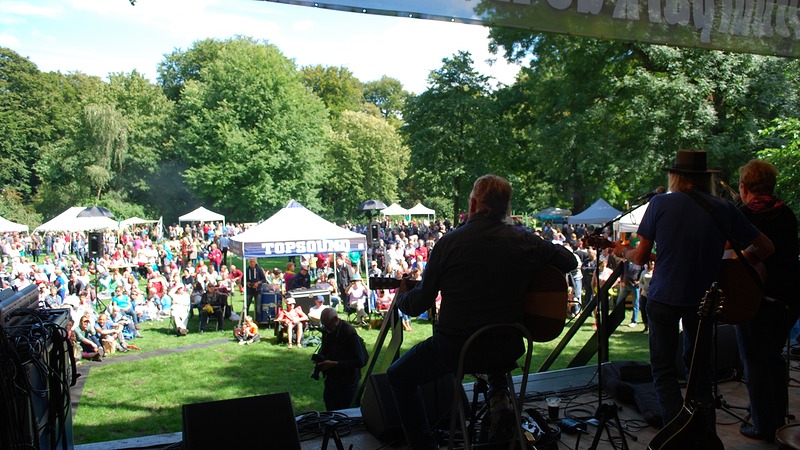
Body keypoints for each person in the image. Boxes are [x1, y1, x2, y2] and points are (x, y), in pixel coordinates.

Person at [387, 174, 577, 449]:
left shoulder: (448, 244)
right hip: (507, 346)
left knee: (398, 376)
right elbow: (569, 261)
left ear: (473, 204)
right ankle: (499, 395)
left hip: (458, 348)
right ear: (507, 209)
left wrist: (401, 297)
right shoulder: (525, 241)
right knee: (492, 351)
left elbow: (418, 304)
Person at [616, 150, 774, 433]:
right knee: (699, 371)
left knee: (663, 372)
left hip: (664, 298)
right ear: (705, 178)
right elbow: (765, 247)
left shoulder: (659, 204)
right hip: (705, 301)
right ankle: (704, 434)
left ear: (675, 176)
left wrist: (623, 252)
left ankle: (676, 435)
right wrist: (728, 266)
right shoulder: (724, 208)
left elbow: (639, 258)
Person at [734, 159, 799, 442]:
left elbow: (732, 251)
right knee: (774, 357)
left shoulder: (744, 213)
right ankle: (778, 419)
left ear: (745, 186)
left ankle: (763, 424)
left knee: (755, 360)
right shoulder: (786, 213)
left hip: (757, 295)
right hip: (791, 296)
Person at [315, 308, 368, 411]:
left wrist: (335, 364)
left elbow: (359, 360)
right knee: (331, 412)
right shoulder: (327, 331)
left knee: (348, 413)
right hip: (332, 380)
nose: (327, 329)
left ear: (335, 319)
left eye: (328, 325)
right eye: (325, 326)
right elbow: (325, 349)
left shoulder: (349, 333)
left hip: (348, 383)